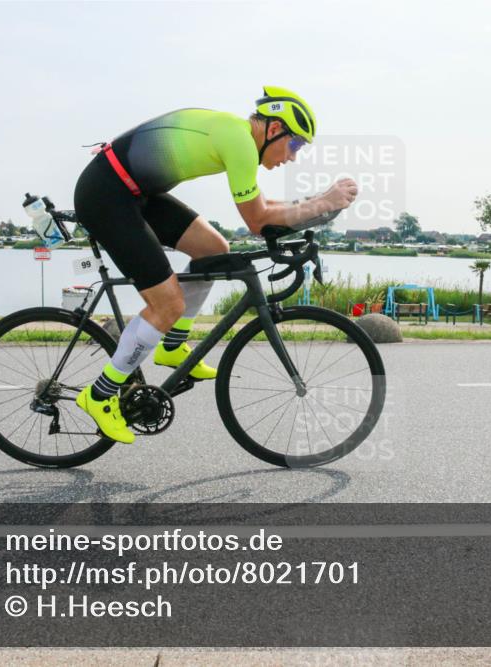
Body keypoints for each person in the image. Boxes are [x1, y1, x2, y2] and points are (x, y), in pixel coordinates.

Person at [72, 86, 358, 443]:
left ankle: (172, 346)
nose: (293, 156)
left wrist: (319, 202)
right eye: (295, 144)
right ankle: (98, 395)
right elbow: (258, 220)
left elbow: (265, 206)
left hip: (133, 191)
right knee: (168, 303)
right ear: (273, 130)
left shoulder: (237, 137)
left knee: (212, 248)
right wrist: (322, 202)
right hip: (105, 194)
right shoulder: (238, 141)